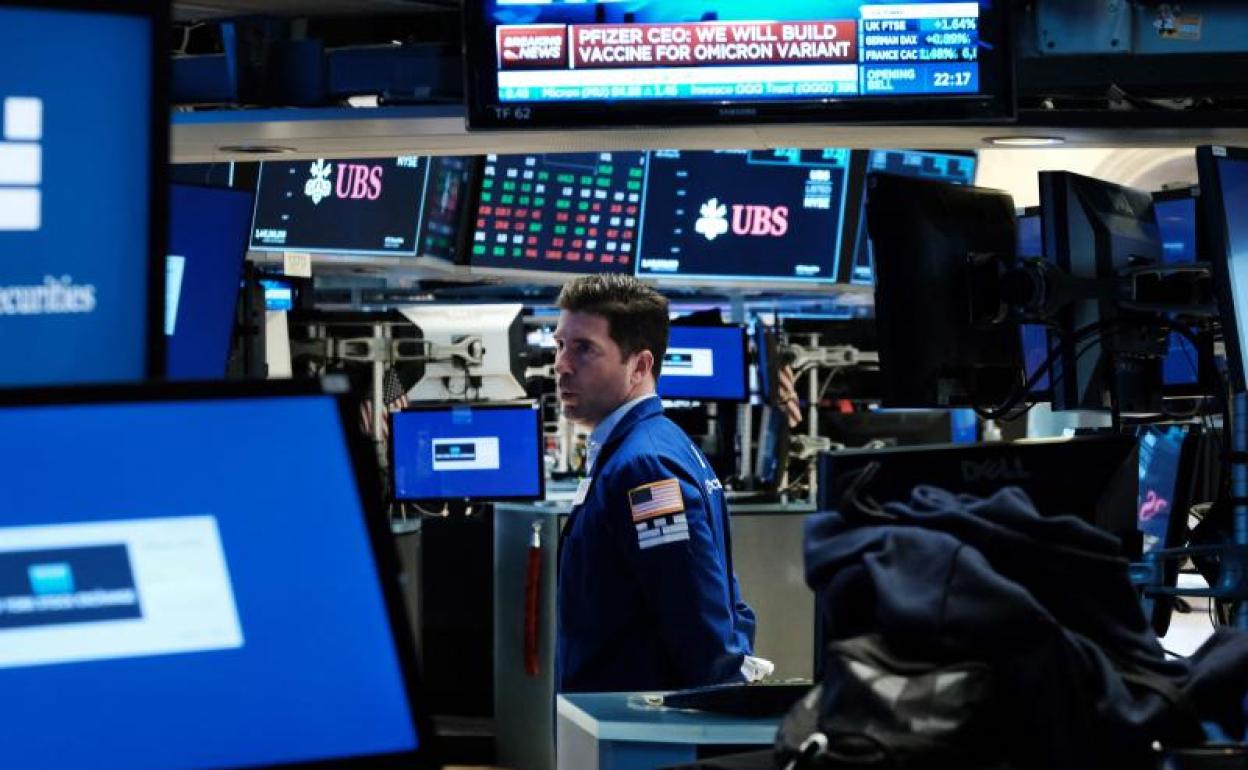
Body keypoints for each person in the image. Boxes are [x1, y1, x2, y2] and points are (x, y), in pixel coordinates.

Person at [553, 274, 763, 693]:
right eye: (560, 345)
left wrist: (724, 687)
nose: (561, 364)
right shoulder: (654, 444)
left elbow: (693, 608)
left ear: (640, 366)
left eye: (584, 348)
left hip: (629, 715)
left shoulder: (645, 465)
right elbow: (719, 596)